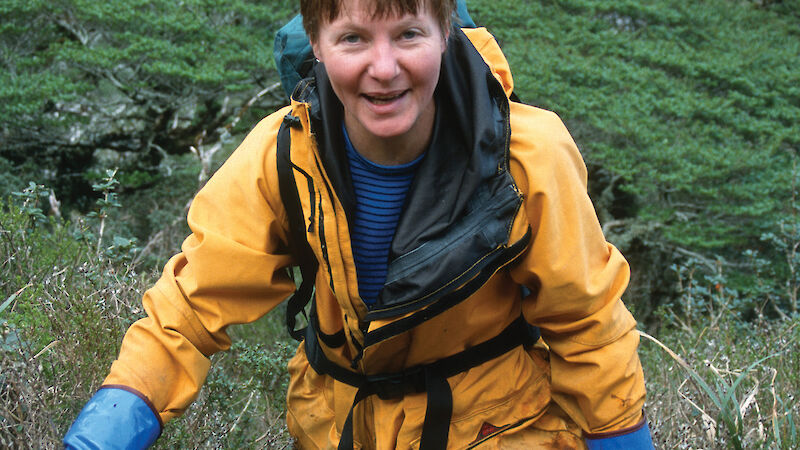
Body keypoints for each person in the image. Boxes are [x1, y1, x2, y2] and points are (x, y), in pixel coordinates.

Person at [64, 0, 656, 448]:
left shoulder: (524, 155)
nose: (383, 67)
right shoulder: (282, 155)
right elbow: (187, 314)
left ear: (447, 31)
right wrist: (105, 430)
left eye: (408, 34)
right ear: (316, 44)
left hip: (500, 429)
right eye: (352, 38)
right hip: (338, 428)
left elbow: (586, 323)